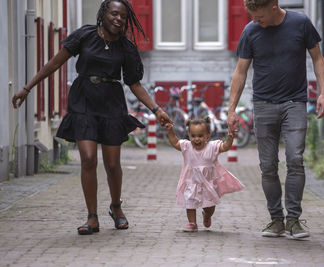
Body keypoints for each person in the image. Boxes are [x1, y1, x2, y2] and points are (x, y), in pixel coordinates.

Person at [12, 0, 172, 235]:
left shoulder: (126, 47)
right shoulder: (85, 36)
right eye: (114, 14)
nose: (119, 19)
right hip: (84, 100)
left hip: (111, 104)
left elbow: (134, 84)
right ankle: (92, 217)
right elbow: (55, 63)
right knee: (88, 159)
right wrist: (27, 88)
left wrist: (156, 109)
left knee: (112, 163)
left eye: (123, 17)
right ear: (104, 13)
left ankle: (116, 208)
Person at [228, 0, 324, 239]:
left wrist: (323, 92)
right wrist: (231, 109)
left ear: (273, 7)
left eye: (258, 16)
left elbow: (318, 58)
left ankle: (293, 219)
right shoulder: (250, 31)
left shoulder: (300, 23)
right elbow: (241, 71)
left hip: (295, 103)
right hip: (263, 105)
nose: (254, 21)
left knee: (294, 158)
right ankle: (276, 220)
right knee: (268, 165)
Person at [165, 118, 245, 232]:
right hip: (191, 182)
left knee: (210, 206)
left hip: (209, 184)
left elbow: (225, 147)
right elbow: (175, 142)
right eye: (193, 136)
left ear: (207, 136)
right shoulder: (187, 147)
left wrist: (230, 138)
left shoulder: (212, 147)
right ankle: (192, 223)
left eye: (200, 136)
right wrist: (170, 131)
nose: (196, 139)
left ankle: (207, 215)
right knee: (190, 203)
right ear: (189, 135)